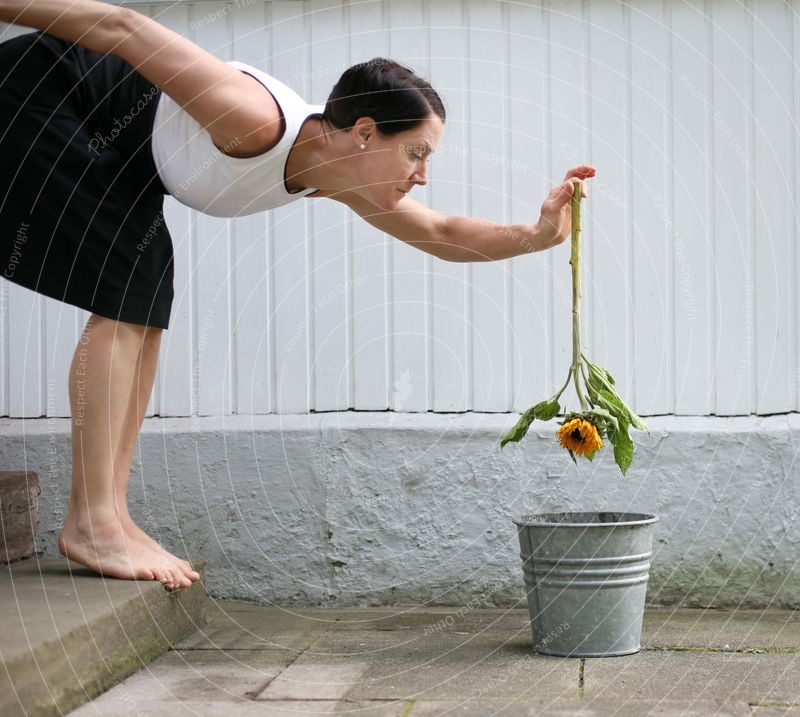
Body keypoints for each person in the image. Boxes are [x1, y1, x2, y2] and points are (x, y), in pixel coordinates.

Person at [0, 0, 595, 589]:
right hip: (36, 94)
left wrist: (539, 235)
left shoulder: (337, 175)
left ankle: (111, 514)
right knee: (130, 277)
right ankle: (93, 521)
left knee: (146, 296)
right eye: (416, 153)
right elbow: (124, 26)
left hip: (114, 150)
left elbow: (440, 233)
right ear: (364, 132)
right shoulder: (256, 119)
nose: (422, 175)